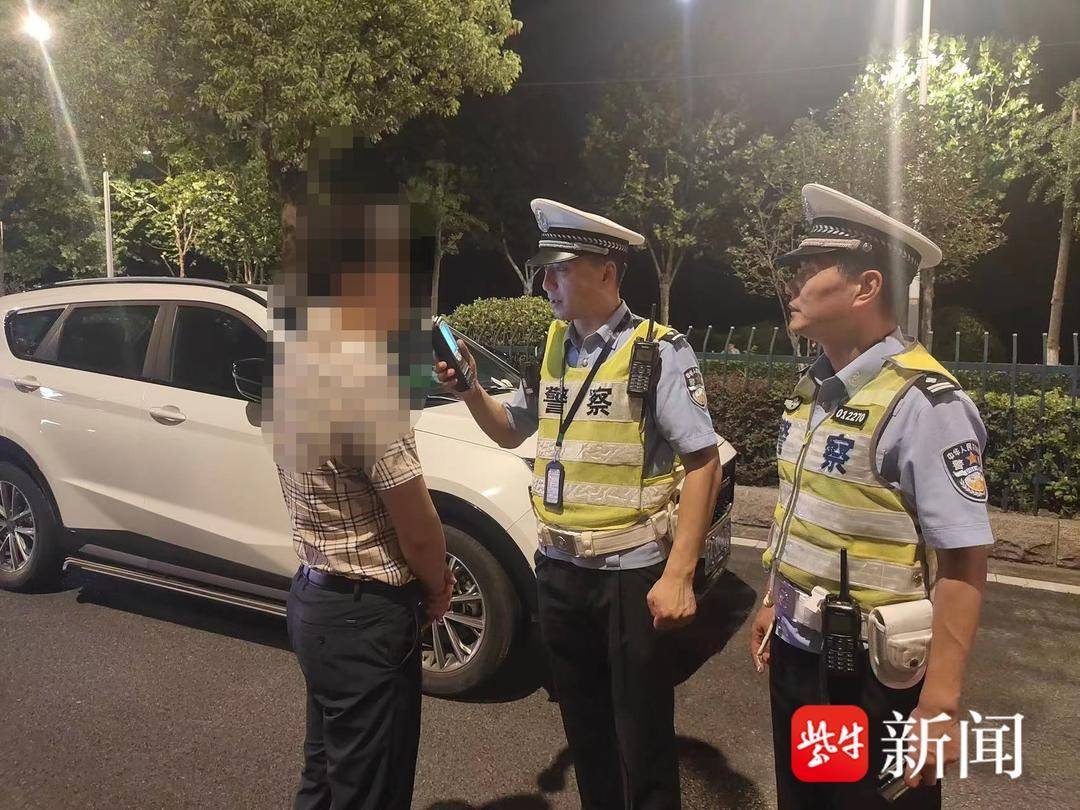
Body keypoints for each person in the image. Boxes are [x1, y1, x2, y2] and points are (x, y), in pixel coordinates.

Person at [436, 199, 722, 810]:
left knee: (641, 737)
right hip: (561, 571)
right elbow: (510, 431)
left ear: (606, 273)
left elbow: (704, 463)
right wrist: (470, 388)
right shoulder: (554, 346)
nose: (546, 283)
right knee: (586, 732)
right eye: (545, 270)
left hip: (629, 574)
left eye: (559, 269)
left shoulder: (658, 351)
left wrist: (679, 574)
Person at [749, 184, 994, 809]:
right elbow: (803, 512)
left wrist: (939, 705)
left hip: (873, 679)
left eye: (809, 270)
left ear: (866, 287)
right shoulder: (814, 387)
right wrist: (774, 601)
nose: (792, 285)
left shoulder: (925, 404)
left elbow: (964, 559)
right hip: (803, 657)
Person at [265, 152, 454, 810]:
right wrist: (438, 585)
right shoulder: (362, 371)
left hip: (314, 597)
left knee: (323, 777)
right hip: (366, 615)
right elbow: (418, 527)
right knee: (370, 790)